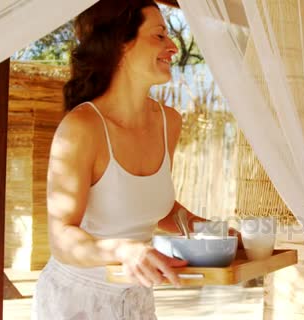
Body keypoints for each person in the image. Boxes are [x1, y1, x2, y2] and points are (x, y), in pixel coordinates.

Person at [31, 1, 233, 318]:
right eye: (159, 35)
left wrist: (215, 230)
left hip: (136, 298)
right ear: (121, 45)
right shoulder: (82, 128)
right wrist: (125, 251)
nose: (173, 47)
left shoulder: (169, 122)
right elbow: (61, 240)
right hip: (76, 302)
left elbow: (160, 209)